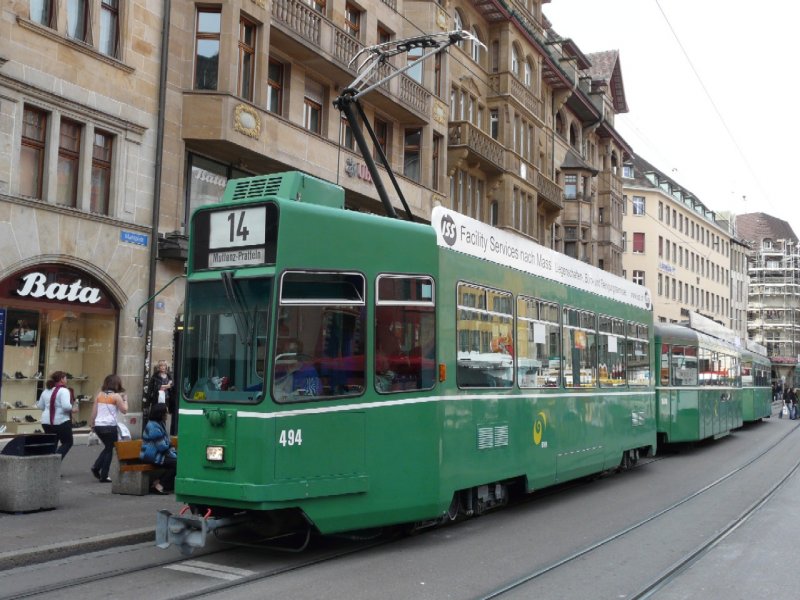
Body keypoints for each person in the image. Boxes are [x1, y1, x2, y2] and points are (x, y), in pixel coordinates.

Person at [89, 374, 128, 483]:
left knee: (108, 447)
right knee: (110, 449)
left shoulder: (99, 395)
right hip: (110, 426)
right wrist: (125, 400)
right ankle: (104, 475)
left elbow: (94, 412)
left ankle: (96, 467)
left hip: (98, 425)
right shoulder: (116, 396)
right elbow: (124, 410)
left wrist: (92, 424)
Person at [36, 371, 75, 460]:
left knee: (52, 444)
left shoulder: (46, 390)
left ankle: (48, 467)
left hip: (46, 422)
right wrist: (73, 408)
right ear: (61, 379)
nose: (66, 380)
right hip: (61, 421)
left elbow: (40, 406)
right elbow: (66, 407)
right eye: (65, 378)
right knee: (67, 443)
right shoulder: (64, 390)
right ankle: (54, 463)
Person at [140, 403, 176, 494]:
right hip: (150, 456)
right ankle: (160, 485)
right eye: (166, 413)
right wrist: (170, 446)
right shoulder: (153, 426)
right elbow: (162, 446)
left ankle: (158, 483)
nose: (167, 415)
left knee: (178, 462)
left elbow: (166, 443)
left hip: (158, 455)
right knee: (177, 463)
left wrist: (171, 448)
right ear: (160, 414)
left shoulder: (160, 424)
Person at [143, 360, 174, 426]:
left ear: (166, 367)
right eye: (161, 365)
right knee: (156, 414)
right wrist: (167, 386)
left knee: (164, 415)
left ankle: (162, 428)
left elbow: (171, 385)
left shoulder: (168, 376)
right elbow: (156, 387)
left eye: (164, 365)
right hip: (157, 399)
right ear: (159, 367)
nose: (163, 367)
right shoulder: (155, 376)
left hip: (166, 399)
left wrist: (167, 386)